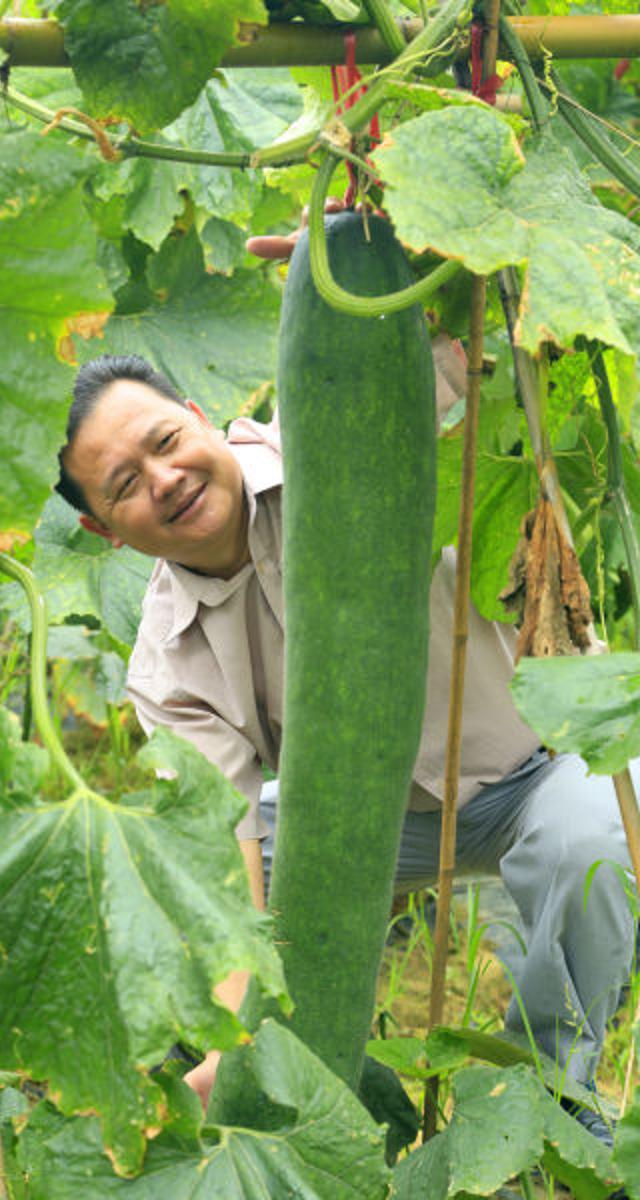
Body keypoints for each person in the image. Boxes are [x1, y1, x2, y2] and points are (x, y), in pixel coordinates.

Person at [56, 345, 635, 1139]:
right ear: (101, 529)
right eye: (124, 485)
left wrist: (383, 249)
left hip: (539, 767)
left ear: (196, 418)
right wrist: (237, 1034)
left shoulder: (341, 420)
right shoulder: (166, 668)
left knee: (593, 837)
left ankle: (549, 1116)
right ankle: (315, 1124)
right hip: (365, 825)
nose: (165, 480)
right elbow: (221, 868)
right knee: (191, 907)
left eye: (163, 443)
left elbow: (469, 347)